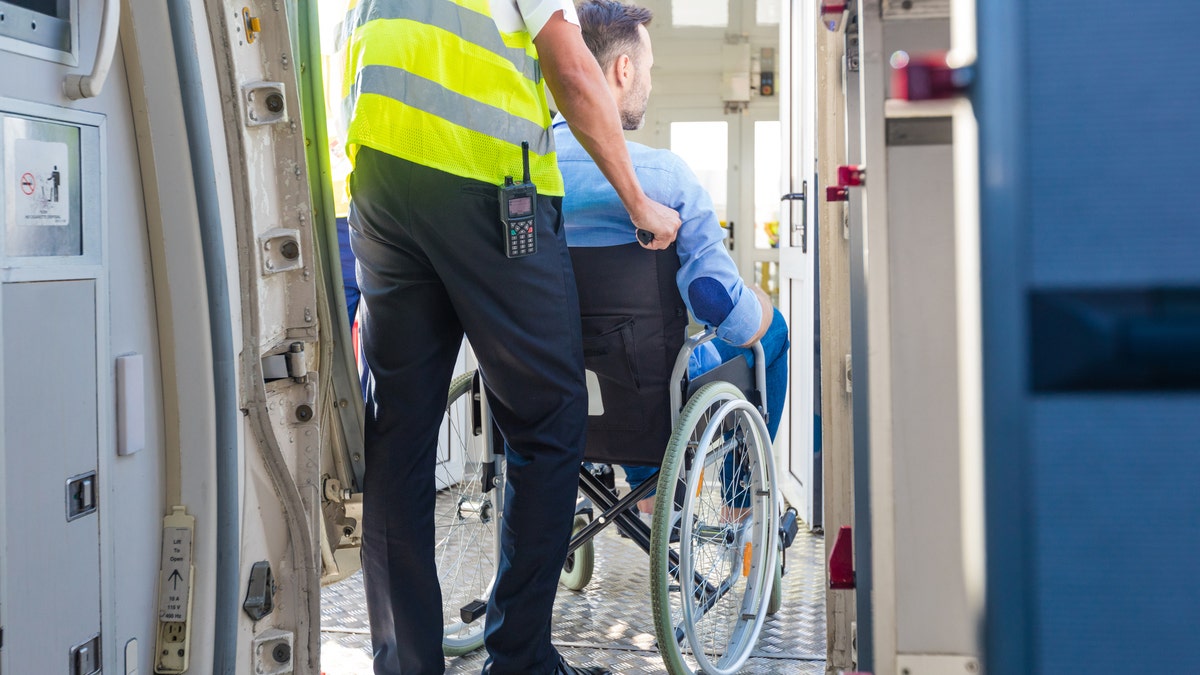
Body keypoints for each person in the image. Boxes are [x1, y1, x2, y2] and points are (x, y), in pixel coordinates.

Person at [339, 1, 681, 674]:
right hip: (486, 185)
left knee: (398, 436)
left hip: (379, 192)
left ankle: (405, 663)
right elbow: (570, 66)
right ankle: (519, 660)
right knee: (549, 421)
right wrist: (639, 201)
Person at [557, 0, 790, 514]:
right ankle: (736, 510)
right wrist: (757, 309)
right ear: (623, 70)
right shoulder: (663, 178)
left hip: (547, 382)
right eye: (649, 70)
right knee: (767, 334)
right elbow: (714, 303)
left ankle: (636, 494)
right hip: (644, 390)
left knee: (622, 358)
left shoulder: (521, 168)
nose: (650, 82)